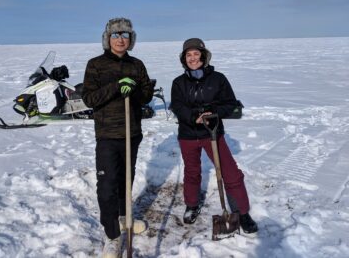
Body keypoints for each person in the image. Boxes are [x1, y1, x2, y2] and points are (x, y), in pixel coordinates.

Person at [170, 38, 258, 234]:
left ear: (204, 55)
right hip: (188, 134)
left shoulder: (218, 79)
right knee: (192, 171)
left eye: (196, 53)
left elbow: (231, 104)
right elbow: (177, 106)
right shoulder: (179, 82)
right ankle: (192, 205)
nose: (193, 58)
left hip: (213, 132)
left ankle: (242, 212)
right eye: (188, 54)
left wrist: (212, 112)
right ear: (184, 58)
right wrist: (194, 117)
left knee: (230, 172)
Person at [82, 17, 153, 257]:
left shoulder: (137, 64)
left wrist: (134, 90)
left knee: (126, 180)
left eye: (125, 35)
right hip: (107, 135)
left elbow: (145, 95)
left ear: (131, 39)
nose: (120, 39)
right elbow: (89, 99)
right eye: (115, 35)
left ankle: (125, 218)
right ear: (107, 38)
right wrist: (115, 86)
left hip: (131, 133)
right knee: (107, 186)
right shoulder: (96, 65)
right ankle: (112, 235)